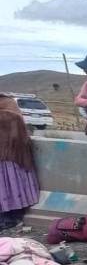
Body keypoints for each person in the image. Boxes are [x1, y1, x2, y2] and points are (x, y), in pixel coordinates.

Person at [0, 94, 40, 229]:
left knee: (10, 182)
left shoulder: (7, 102)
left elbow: (15, 122)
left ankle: (13, 215)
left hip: (11, 152)